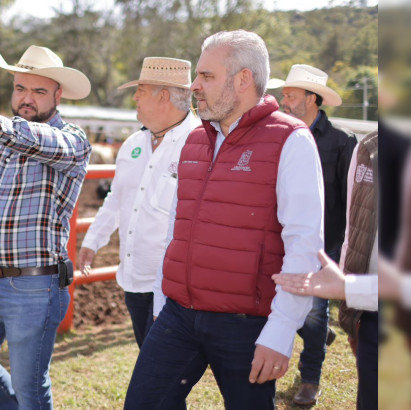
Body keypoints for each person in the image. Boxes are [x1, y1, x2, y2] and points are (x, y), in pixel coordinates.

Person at [124, 30, 323, 410]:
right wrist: (162, 301)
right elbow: (176, 229)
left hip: (245, 323)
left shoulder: (291, 140)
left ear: (243, 80)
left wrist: (280, 332)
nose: (195, 86)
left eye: (207, 77)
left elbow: (304, 245)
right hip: (179, 315)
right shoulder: (194, 140)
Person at [0, 45, 92, 409]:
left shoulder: (71, 141)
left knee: (30, 385)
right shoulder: (0, 143)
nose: (26, 99)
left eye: (39, 91)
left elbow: (37, 138)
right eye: (20, 89)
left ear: (58, 95)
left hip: (35, 284)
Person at [78, 57, 200, 348]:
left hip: (174, 289)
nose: (134, 97)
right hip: (134, 279)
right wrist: (93, 240)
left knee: (159, 376)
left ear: (164, 97)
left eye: (141, 90)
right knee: (153, 366)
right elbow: (117, 198)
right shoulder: (133, 144)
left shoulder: (200, 145)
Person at [268, 64, 357, 406]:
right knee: (295, 305)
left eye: (290, 95)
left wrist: (345, 249)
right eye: (284, 94)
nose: (284, 100)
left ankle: (310, 381)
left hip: (326, 245)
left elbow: (352, 200)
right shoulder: (279, 135)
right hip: (284, 237)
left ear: (312, 99)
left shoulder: (341, 142)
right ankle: (316, 338)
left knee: (316, 312)